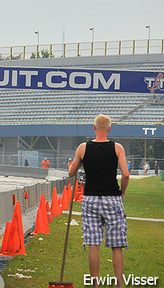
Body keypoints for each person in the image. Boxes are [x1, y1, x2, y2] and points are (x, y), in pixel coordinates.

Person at [68, 114, 129, 288]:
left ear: (94, 128)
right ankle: (119, 285)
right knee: (117, 245)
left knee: (93, 244)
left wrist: (79, 163)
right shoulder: (117, 148)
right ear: (109, 129)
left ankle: (95, 285)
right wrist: (122, 192)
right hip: (112, 198)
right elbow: (125, 174)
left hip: (90, 199)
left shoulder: (83, 148)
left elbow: (71, 173)